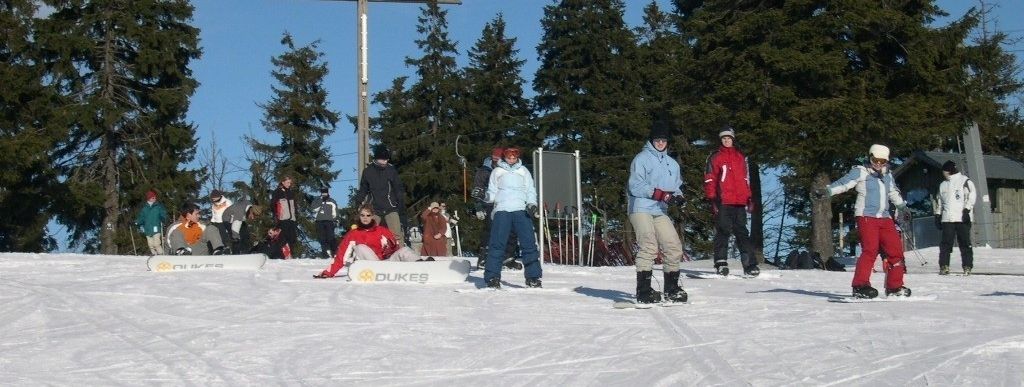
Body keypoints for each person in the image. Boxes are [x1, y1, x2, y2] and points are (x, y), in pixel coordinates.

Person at [813, 144, 912, 298]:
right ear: (870, 158)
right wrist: (828, 191)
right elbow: (844, 184)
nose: (878, 164)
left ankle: (894, 287)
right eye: (875, 160)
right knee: (870, 250)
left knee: (896, 252)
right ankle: (860, 285)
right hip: (866, 216)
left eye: (882, 161)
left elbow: (893, 192)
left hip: (885, 217)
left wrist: (902, 207)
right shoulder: (861, 171)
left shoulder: (887, 175)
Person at [627, 120, 688, 304]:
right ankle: (644, 291)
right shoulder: (641, 159)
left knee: (673, 246)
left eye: (663, 140)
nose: (660, 143)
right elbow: (635, 185)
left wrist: (679, 197)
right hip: (641, 207)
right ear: (651, 141)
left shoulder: (672, 164)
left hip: (660, 210)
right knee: (649, 245)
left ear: (667, 141)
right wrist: (658, 194)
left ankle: (671, 289)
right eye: (657, 140)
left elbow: (676, 187)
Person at [482, 147, 543, 289]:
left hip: (520, 210)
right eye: (509, 157)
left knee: (529, 244)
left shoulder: (523, 171)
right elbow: (492, 193)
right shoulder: (497, 172)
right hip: (502, 210)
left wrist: (532, 205)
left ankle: (533, 277)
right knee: (497, 244)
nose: (511, 160)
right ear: (504, 157)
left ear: (517, 158)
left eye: (514, 158)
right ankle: (492, 277)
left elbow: (530, 190)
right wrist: (484, 196)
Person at [704, 127, 759, 277]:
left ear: (733, 139)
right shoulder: (715, 157)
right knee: (723, 231)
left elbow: (745, 179)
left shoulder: (740, 157)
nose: (726, 140)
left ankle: (749, 264)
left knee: (742, 232)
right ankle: (721, 263)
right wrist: (712, 198)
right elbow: (710, 178)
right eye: (723, 138)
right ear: (720, 140)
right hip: (723, 201)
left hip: (739, 201)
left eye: (729, 138)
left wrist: (749, 197)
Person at [314, 205, 422, 278]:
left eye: (368, 215)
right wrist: (328, 273)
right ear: (359, 216)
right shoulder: (353, 234)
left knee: (404, 250)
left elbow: (395, 248)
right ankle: (380, 271)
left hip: (386, 264)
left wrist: (390, 248)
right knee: (360, 247)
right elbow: (341, 256)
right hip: (372, 268)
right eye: (362, 215)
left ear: (372, 216)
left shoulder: (382, 231)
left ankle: (423, 266)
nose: (365, 218)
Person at [471, 147, 521, 270]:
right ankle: (484, 258)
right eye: (494, 159)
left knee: (512, 230)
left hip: (506, 203)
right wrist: (478, 206)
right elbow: (477, 188)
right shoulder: (484, 171)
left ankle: (507, 256)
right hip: (489, 205)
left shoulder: (507, 170)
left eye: (498, 159)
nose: (496, 161)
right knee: (491, 230)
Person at [354, 146, 407, 247]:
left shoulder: (391, 170)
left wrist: (400, 203)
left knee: (396, 233)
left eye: (387, 159)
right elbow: (363, 189)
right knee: (369, 232)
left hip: (390, 207)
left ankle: (400, 252)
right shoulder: (368, 172)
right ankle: (370, 253)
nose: (385, 161)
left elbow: (398, 188)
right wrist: (358, 201)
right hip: (374, 207)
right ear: (376, 159)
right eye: (383, 159)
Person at [934, 160, 976, 275]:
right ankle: (944, 266)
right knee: (946, 243)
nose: (944, 174)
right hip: (948, 218)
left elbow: (971, 196)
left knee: (964, 243)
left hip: (962, 217)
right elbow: (940, 202)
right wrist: (938, 214)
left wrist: (967, 209)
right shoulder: (943, 185)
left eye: (945, 171)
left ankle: (967, 266)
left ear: (950, 171)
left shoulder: (965, 181)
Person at [135, 190, 168, 255]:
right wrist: (136, 222)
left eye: (155, 198)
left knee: (156, 243)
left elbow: (163, 213)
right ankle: (154, 255)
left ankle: (161, 254)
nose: (154, 199)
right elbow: (141, 218)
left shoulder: (158, 207)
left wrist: (163, 218)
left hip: (156, 228)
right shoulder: (144, 209)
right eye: (153, 198)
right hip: (147, 229)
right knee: (150, 245)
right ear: (149, 198)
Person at [271, 175, 299, 254]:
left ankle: (291, 255)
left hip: (292, 219)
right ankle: (280, 255)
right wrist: (276, 215)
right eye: (287, 182)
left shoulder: (291, 192)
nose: (289, 184)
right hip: (282, 219)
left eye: (290, 183)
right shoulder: (277, 192)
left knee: (292, 238)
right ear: (283, 182)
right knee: (282, 238)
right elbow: (273, 204)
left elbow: (295, 206)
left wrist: (296, 214)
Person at [311, 187, 340, 259]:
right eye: (323, 192)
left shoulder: (332, 201)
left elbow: (335, 212)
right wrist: (321, 201)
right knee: (322, 238)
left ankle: (334, 252)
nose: (324, 194)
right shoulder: (317, 200)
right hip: (319, 221)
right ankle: (325, 254)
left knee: (331, 237)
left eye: (325, 192)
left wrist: (336, 220)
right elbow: (313, 209)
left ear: (328, 192)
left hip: (329, 221)